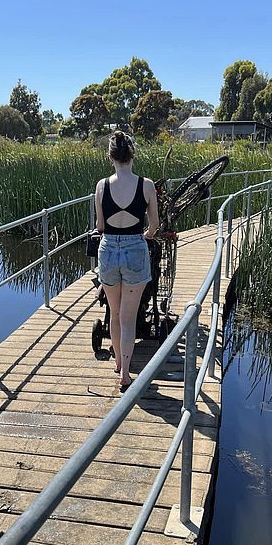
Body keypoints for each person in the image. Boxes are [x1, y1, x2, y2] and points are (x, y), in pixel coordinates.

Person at [94, 130, 159, 392]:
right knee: (129, 317)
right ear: (132, 156)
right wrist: (144, 235)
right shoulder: (147, 185)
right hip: (135, 248)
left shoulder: (101, 186)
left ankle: (118, 362)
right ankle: (126, 375)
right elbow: (153, 225)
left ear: (111, 158)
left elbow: (100, 225)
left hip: (108, 249)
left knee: (114, 312)